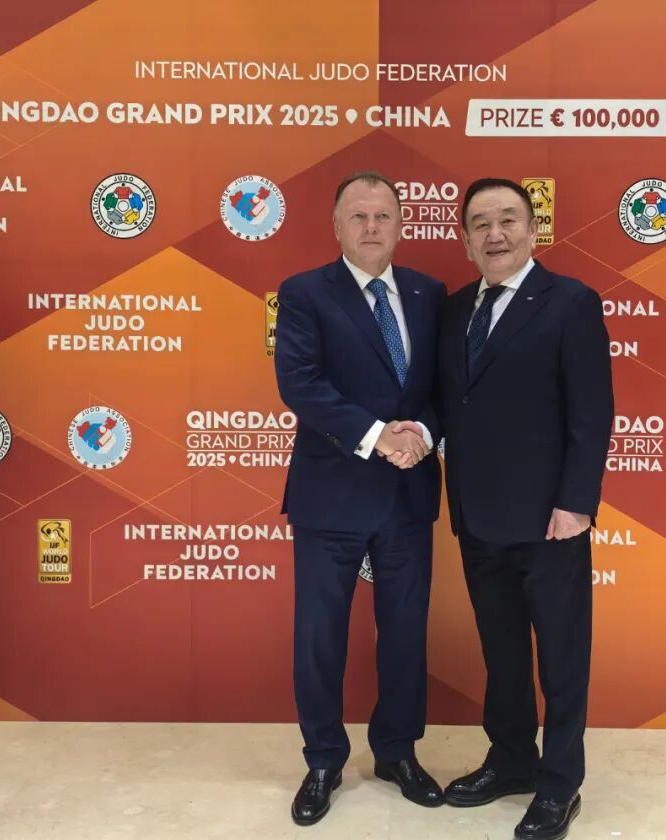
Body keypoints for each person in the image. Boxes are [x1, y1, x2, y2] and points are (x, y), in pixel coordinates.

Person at [436, 178, 614, 840]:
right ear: (465, 240)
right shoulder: (456, 309)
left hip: (550, 522)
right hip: (479, 518)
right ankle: (512, 760)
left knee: (562, 661)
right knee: (503, 652)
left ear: (534, 230)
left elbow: (592, 414)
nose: (495, 234)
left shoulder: (570, 302)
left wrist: (576, 504)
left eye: (508, 219)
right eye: (480, 223)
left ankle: (560, 784)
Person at [274, 171, 447, 826]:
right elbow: (300, 383)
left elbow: (446, 385)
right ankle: (323, 759)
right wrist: (378, 437)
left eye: (383, 215)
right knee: (320, 635)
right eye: (358, 216)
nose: (371, 227)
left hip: (409, 491)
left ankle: (397, 752)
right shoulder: (304, 292)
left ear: (401, 224)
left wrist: (422, 433)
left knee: (405, 631)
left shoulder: (430, 294)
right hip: (331, 493)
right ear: (337, 226)